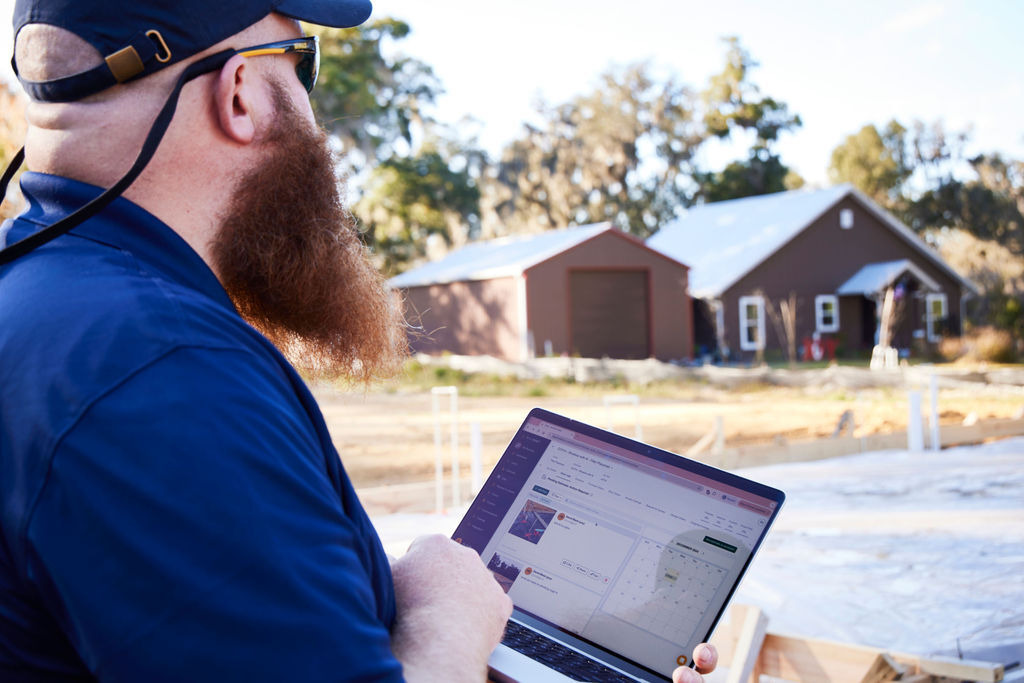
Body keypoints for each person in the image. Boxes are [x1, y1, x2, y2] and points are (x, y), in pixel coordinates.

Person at [0, 1, 717, 681]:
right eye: (302, 63)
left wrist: (375, 594)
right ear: (241, 93)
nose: (316, 118)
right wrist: (448, 613)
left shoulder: (41, 301)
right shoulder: (164, 371)